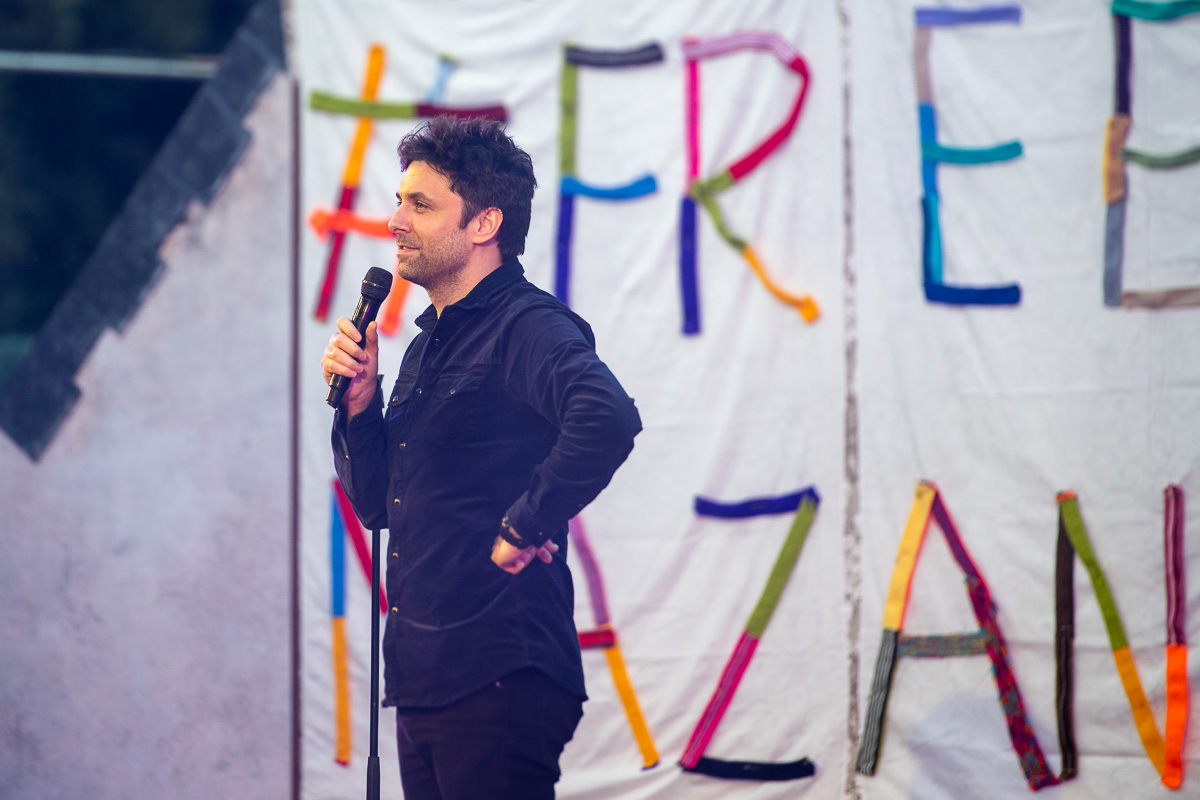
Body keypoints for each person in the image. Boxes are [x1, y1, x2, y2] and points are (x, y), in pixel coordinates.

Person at [320, 115, 641, 800]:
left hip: (497, 669)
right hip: (424, 676)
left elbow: (607, 415)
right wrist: (360, 407)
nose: (395, 221)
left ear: (484, 224)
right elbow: (378, 503)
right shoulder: (426, 347)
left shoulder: (527, 325)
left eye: (420, 204)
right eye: (400, 200)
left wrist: (525, 524)